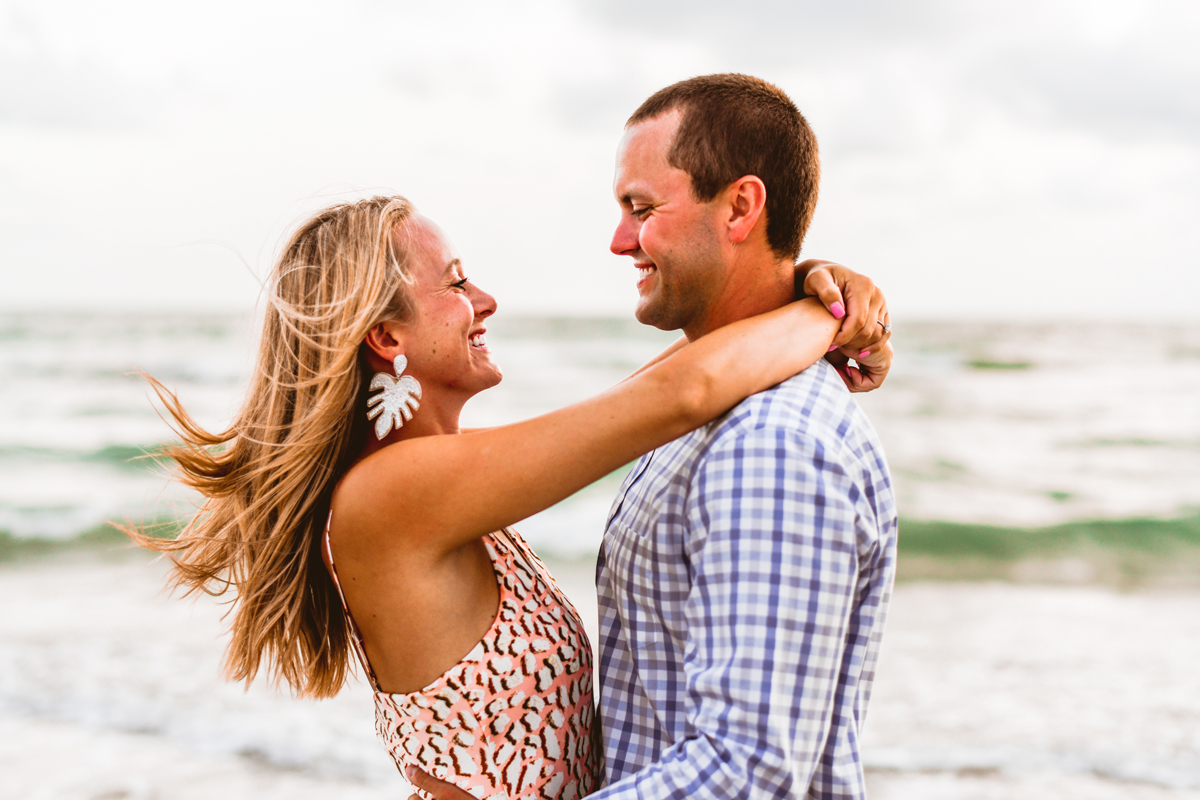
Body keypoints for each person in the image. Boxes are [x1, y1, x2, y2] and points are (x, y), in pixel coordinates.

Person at [130, 192, 890, 798]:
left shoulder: (435, 482)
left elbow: (663, 388)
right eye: (455, 282)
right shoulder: (393, 493)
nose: (486, 298)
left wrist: (809, 288)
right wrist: (825, 313)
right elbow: (685, 391)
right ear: (387, 340)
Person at [409, 74, 898, 800]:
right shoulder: (704, 411)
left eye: (641, 209)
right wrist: (816, 303)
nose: (618, 241)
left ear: (741, 207)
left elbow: (745, 774)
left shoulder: (769, 446)